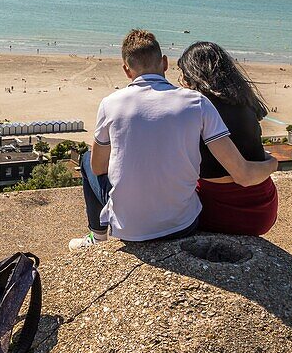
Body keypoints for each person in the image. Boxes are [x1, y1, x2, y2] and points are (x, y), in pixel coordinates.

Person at [70, 30, 277, 249]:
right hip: (184, 225)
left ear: (126, 70)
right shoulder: (197, 102)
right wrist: (272, 162)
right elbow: (240, 171)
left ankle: (97, 236)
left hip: (129, 228)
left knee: (87, 159)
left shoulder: (110, 103)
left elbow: (99, 167)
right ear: (165, 63)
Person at [177, 41, 278, 236]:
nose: (180, 81)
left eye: (183, 74)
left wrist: (274, 164)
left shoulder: (198, 110)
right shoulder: (245, 103)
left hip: (224, 211)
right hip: (264, 207)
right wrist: (270, 163)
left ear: (193, 76)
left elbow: (243, 175)